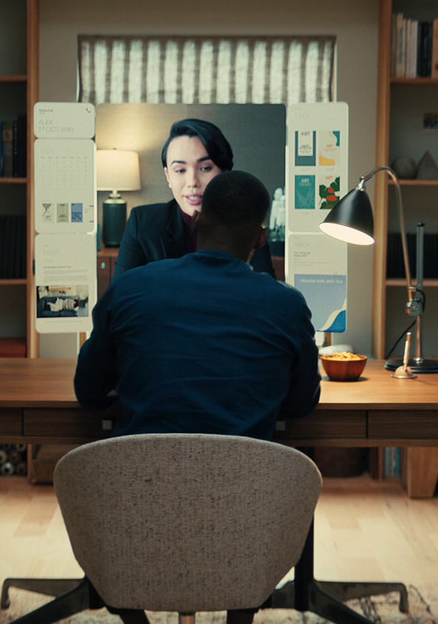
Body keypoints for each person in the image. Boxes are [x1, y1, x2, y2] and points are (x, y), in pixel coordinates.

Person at [75, 171, 320, 624]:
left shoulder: (130, 290)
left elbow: (88, 393)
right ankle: (241, 609)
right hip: (245, 518)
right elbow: (302, 405)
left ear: (198, 220)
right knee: (245, 507)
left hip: (138, 506)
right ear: (262, 237)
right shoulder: (285, 305)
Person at [113, 118, 276, 280]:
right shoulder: (142, 223)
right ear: (167, 176)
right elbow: (120, 298)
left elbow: (266, 297)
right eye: (180, 170)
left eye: (205, 168)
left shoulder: (246, 224)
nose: (192, 182)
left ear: (226, 175)